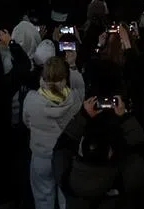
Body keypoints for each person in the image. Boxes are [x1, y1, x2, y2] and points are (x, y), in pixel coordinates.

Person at [23, 55, 85, 209]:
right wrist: (73, 67)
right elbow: (81, 89)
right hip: (65, 158)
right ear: (65, 78)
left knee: (43, 199)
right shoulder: (75, 100)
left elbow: (27, 122)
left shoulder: (31, 100)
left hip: (41, 156)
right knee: (66, 199)